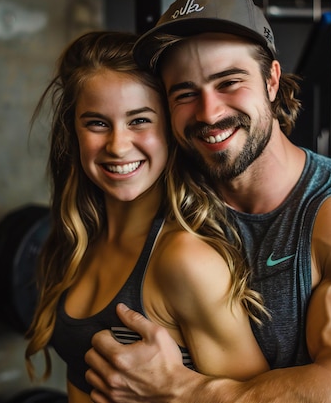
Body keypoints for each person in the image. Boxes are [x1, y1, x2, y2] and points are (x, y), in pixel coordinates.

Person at [83, 0, 331, 402]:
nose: (209, 113)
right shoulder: (161, 189)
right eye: (185, 93)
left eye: (229, 82)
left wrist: (179, 390)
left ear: (272, 80)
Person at [23, 30, 270, 403]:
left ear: (170, 129)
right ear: (73, 131)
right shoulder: (76, 242)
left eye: (139, 121)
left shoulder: (185, 261)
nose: (118, 145)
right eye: (97, 123)